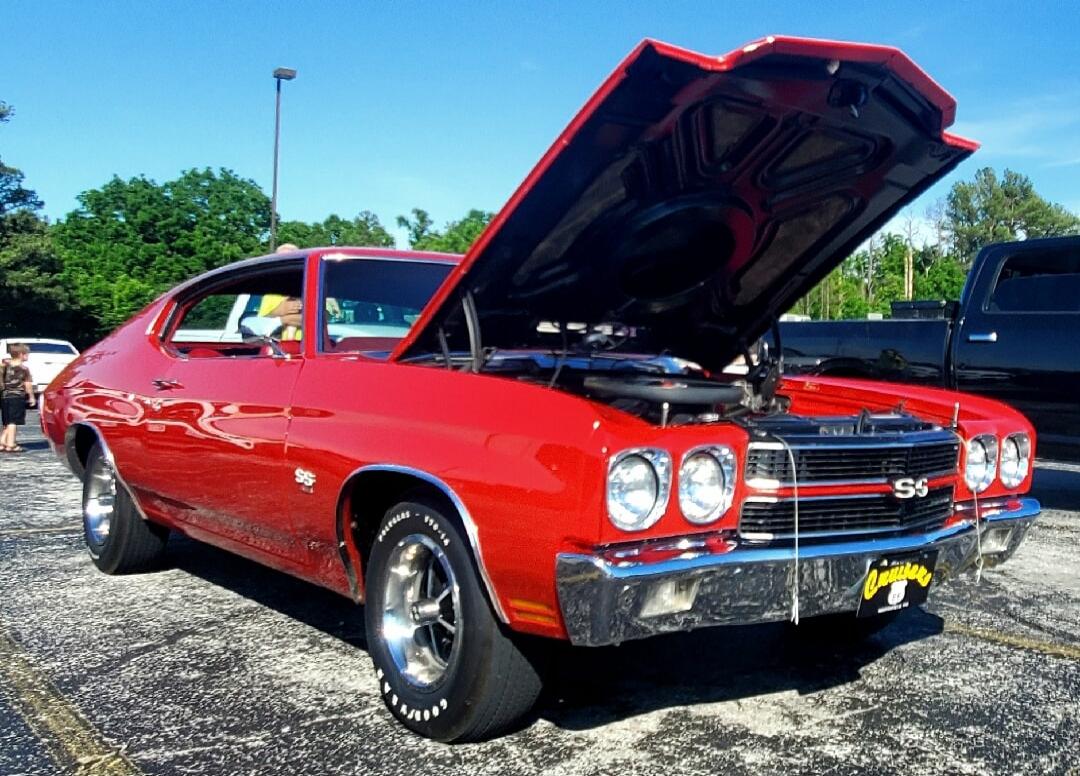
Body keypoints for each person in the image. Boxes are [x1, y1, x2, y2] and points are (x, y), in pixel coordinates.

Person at [1, 344, 35, 453]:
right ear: (21, 355)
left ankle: (2, 442)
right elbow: (28, 384)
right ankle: (11, 444)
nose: (28, 356)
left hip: (4, 396)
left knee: (7, 421)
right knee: (13, 422)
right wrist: (31, 397)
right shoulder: (24, 369)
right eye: (27, 354)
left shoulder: (4, 365)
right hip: (17, 397)